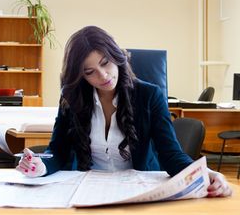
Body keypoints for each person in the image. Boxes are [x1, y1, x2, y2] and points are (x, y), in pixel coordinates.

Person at [16, 26, 231, 197]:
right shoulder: (72, 97)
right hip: (85, 191)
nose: (103, 76)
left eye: (105, 63)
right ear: (81, 76)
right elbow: (58, 151)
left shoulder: (150, 96)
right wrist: (40, 165)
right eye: (90, 72)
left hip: (138, 190)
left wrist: (207, 174)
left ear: (116, 56)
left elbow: (171, 155)